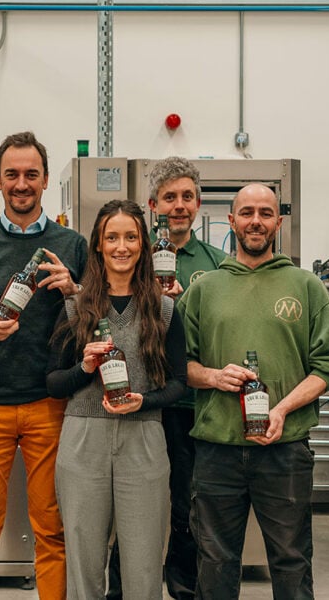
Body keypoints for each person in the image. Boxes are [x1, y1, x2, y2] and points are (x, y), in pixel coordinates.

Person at [179, 183, 329, 600]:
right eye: (247, 212)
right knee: (215, 563)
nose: (256, 221)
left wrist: (283, 409)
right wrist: (215, 377)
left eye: (266, 213)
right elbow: (176, 366)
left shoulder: (306, 286)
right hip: (217, 449)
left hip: (285, 449)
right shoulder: (204, 289)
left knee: (291, 561)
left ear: (279, 221)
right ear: (231, 220)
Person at [0, 131, 87, 599]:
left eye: (31, 174)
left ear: (45, 180)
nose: (21, 183)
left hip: (51, 403)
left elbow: (101, 319)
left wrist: (74, 291)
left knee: (52, 525)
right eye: (12, 175)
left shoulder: (73, 245)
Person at [47, 199, 186, 599]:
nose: (121, 246)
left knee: (143, 565)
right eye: (112, 237)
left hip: (143, 437)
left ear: (143, 245)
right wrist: (84, 369)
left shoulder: (164, 309)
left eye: (130, 237)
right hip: (83, 438)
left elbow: (180, 383)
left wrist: (142, 401)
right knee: (83, 561)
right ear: (98, 246)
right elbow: (53, 382)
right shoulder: (75, 307)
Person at [106, 156, 229, 600]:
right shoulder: (132, 257)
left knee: (186, 510)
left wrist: (183, 303)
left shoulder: (218, 265)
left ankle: (182, 590)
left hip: (191, 407)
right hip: (139, 403)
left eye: (187, 197)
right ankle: (119, 591)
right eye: (170, 198)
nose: (179, 206)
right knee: (130, 511)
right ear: (153, 204)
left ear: (198, 203)